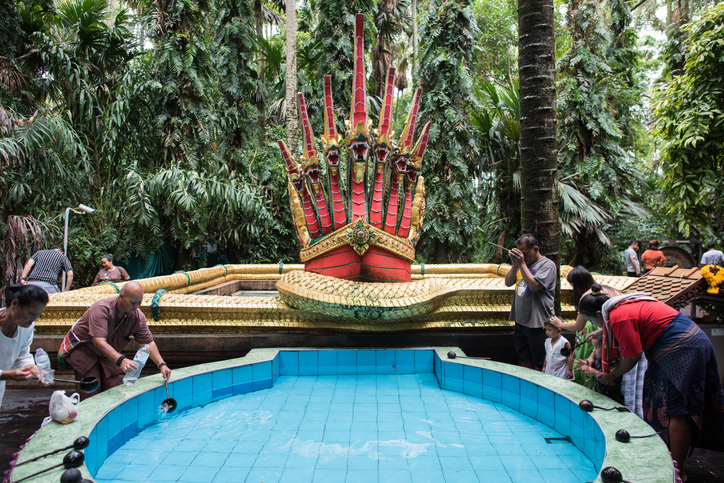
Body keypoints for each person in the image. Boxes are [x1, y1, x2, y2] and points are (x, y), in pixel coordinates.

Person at [578, 284, 724, 481]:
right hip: (676, 345)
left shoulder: (619, 316)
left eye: (591, 320)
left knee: (676, 408)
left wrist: (611, 375)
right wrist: (602, 333)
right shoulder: (620, 305)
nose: (594, 325)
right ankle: (671, 460)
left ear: (599, 312)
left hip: (681, 347)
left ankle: (677, 472)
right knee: (661, 401)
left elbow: (632, 357)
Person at [59, 281, 171, 400]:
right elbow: (99, 342)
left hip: (109, 356)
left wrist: (161, 364)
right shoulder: (101, 309)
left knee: (112, 392)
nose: (136, 306)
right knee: (91, 391)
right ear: (121, 297)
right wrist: (121, 360)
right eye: (133, 303)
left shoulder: (137, 316)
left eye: (139, 302)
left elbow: (148, 343)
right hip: (87, 352)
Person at [504, 234, 557, 371]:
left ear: (536, 249)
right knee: (524, 359)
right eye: (519, 253)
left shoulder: (547, 265)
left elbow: (534, 286)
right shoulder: (521, 264)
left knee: (539, 362)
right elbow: (508, 282)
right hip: (521, 321)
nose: (523, 257)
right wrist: (515, 264)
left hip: (538, 324)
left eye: (525, 253)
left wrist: (521, 263)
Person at [550, 267, 605, 389]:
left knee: (587, 375)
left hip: (592, 343)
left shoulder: (587, 298)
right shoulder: (594, 293)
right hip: (584, 342)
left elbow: (578, 326)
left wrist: (559, 324)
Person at [0, 285, 50, 408]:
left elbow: (22, 354)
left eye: (38, 315)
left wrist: (31, 368)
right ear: (15, 303)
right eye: (31, 313)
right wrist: (6, 374)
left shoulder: (26, 328)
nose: (34, 319)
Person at [576, 330, 624, 405]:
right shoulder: (598, 360)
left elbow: (613, 383)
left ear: (607, 347)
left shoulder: (614, 363)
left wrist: (594, 372)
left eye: (596, 347)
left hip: (612, 402)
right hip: (599, 398)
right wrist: (586, 369)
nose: (593, 350)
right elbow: (591, 376)